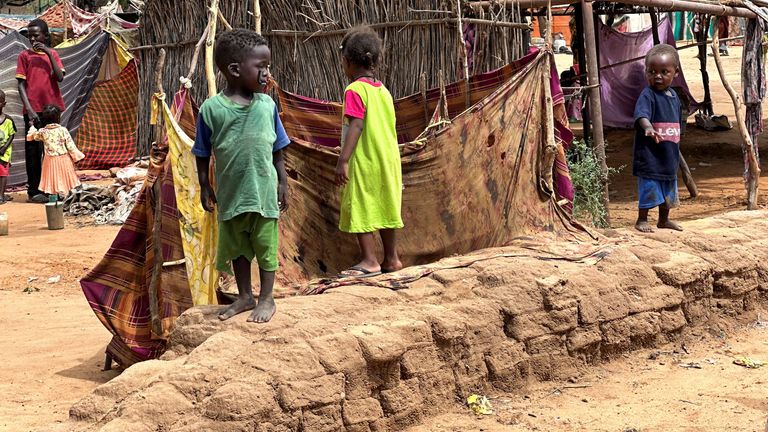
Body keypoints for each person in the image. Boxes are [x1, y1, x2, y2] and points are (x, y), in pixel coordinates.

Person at [192, 29, 289, 323]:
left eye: (267, 66)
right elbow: (201, 152)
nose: (266, 73)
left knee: (265, 245)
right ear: (235, 70)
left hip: (263, 192)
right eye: (261, 67)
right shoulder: (212, 110)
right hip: (232, 194)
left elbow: (278, 148)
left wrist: (283, 182)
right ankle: (245, 295)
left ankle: (267, 298)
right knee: (237, 247)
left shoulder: (268, 106)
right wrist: (205, 186)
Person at [335, 26, 404, 277]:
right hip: (388, 159)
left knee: (360, 203)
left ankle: (369, 260)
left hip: (364, 158)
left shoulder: (354, 90)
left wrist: (343, 160)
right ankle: (392, 259)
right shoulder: (383, 90)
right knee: (386, 204)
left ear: (348, 62)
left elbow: (357, 123)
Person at [633, 44, 683, 233]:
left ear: (675, 72)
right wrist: (648, 128)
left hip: (669, 154)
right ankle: (642, 219)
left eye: (664, 72)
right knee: (650, 187)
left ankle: (664, 220)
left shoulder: (674, 96)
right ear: (646, 72)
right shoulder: (648, 95)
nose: (658, 76)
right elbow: (641, 115)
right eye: (652, 71)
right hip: (650, 156)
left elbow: (677, 119)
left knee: (669, 187)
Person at [16, 18, 65, 203]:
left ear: (45, 36)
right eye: (30, 36)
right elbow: (21, 85)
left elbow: (59, 77)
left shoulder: (52, 54)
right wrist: (29, 109)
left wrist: (48, 54)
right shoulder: (24, 56)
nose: (32, 39)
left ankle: (53, 188)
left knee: (54, 150)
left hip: (52, 110)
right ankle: (34, 190)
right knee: (33, 152)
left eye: (36, 35)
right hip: (33, 110)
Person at [27, 105, 84, 199]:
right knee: (65, 178)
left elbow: (33, 136)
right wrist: (77, 157)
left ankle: (54, 197)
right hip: (64, 160)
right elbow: (70, 146)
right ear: (58, 117)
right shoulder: (63, 130)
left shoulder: (43, 132)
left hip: (49, 161)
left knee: (53, 179)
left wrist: (32, 126)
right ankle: (66, 197)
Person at [0, 90, 17, 205]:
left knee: (3, 174)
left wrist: (4, 147)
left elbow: (12, 134)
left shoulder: (8, 120)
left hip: (3, 153)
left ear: (4, 104)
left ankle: (1, 196)